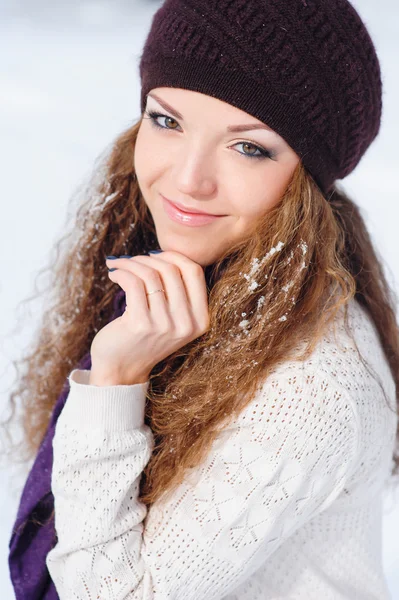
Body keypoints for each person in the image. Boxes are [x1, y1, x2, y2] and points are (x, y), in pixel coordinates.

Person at [5, 0, 399, 598]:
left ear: (307, 174)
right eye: (167, 121)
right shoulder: (173, 270)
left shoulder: (313, 389)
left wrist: (114, 381)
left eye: (249, 147)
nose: (188, 179)